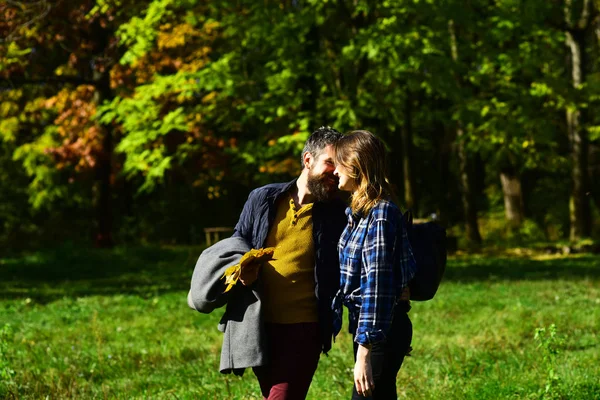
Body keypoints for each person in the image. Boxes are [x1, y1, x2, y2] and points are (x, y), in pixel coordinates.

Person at [232, 126, 348, 399]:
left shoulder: (338, 214)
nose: (335, 171)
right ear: (308, 160)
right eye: (330, 162)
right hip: (259, 326)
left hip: (304, 329)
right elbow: (237, 243)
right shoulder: (263, 198)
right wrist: (242, 271)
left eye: (340, 165)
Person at [331, 130, 416, 399]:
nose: (334, 171)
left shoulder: (380, 213)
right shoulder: (361, 212)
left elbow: (376, 287)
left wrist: (365, 352)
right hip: (370, 327)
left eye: (339, 163)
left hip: (380, 331)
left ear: (356, 165)